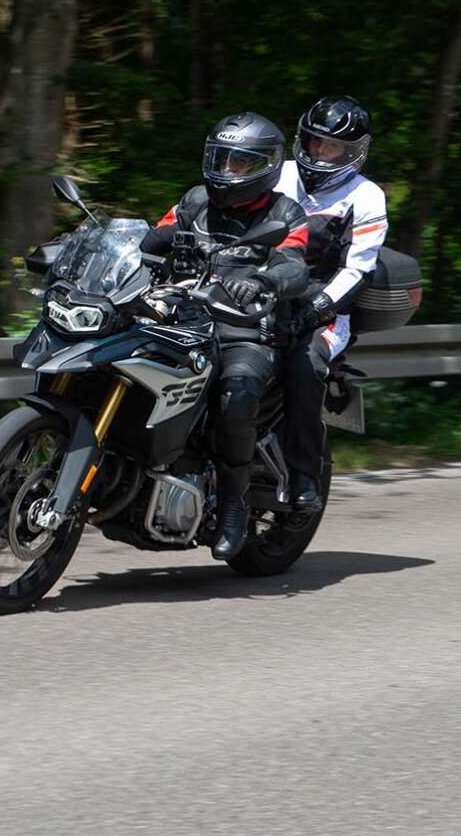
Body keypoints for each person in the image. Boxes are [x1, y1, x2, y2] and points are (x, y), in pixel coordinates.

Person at [141, 113, 309, 560]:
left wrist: (265, 282)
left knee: (237, 393)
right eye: (220, 159)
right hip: (181, 315)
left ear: (265, 167)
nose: (226, 171)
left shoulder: (284, 213)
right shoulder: (196, 201)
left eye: (239, 164)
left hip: (244, 328)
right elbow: (151, 237)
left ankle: (234, 505)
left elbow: (293, 262)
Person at [275, 95, 388, 515]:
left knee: (305, 363)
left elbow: (358, 269)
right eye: (313, 142)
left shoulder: (366, 196)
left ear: (353, 152)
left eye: (332, 147)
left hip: (321, 312)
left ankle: (303, 473)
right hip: (254, 295)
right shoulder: (278, 174)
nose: (319, 153)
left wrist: (317, 306)